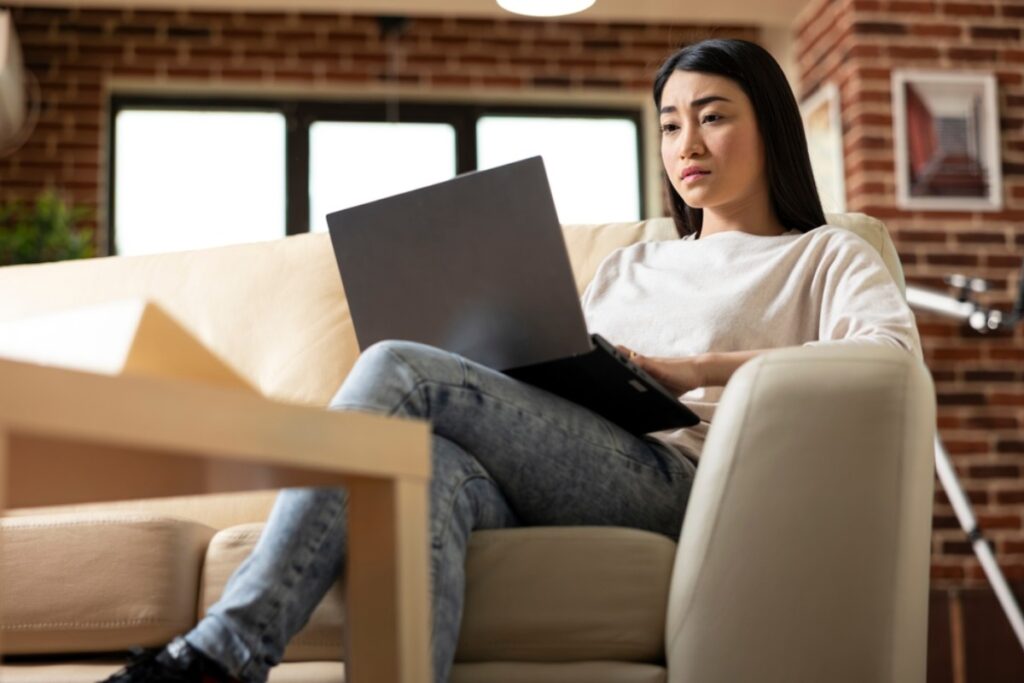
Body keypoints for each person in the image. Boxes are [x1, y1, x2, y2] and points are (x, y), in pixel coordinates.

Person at [102, 38, 920, 683]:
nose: (686, 143)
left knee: (400, 368)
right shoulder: (630, 265)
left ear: (770, 126)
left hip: (678, 478)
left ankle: (224, 652)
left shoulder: (822, 255)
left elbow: (884, 358)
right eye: (669, 122)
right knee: (417, 462)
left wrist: (689, 368)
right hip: (573, 455)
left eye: (712, 116)